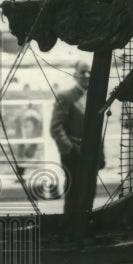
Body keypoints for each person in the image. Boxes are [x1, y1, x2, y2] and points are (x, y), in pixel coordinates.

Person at [50, 60, 93, 200]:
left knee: (88, 194)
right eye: (82, 72)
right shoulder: (66, 97)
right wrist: (69, 149)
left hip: (91, 154)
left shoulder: (95, 97)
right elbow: (56, 127)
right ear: (75, 75)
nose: (86, 75)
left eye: (89, 72)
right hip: (72, 155)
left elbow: (96, 128)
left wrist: (100, 155)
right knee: (73, 195)